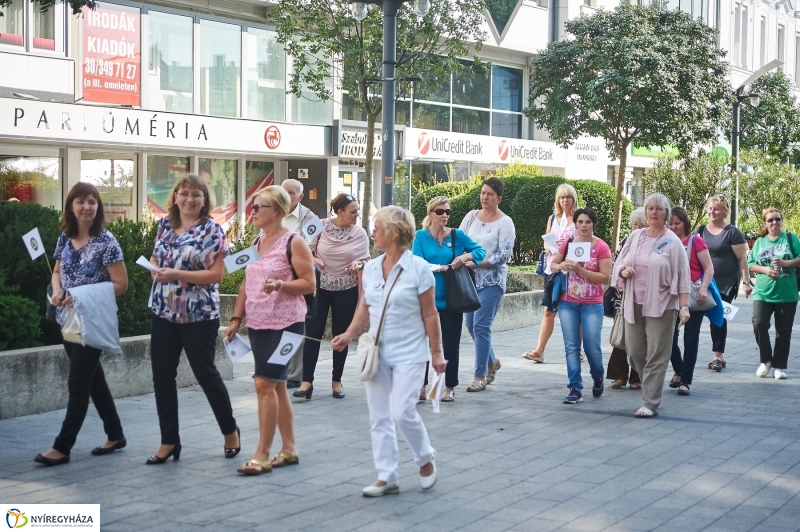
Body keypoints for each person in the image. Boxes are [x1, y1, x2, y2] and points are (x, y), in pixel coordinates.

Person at [331, 206, 445, 497]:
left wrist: (436, 353)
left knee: (402, 411)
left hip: (411, 351)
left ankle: (424, 457)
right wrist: (349, 333)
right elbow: (365, 308)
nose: (372, 232)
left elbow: (431, 315)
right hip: (378, 350)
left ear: (394, 232)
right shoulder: (370, 268)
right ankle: (387, 475)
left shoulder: (419, 268)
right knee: (379, 415)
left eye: (377, 227)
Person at [146, 174, 240, 464]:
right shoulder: (164, 224)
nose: (189, 199)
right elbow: (155, 257)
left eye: (196, 195)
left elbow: (216, 275)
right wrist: (153, 269)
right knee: (162, 377)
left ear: (204, 200)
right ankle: (169, 441)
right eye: (184, 193)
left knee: (206, 375)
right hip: (164, 310)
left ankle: (230, 431)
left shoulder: (212, 230)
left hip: (198, 314)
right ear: (175, 197)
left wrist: (176, 274)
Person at [34, 183, 129, 466]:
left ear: (98, 207)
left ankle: (62, 447)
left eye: (92, 202)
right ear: (71, 206)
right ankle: (115, 434)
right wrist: (58, 290)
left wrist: (81, 295)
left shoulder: (107, 241)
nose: (86, 207)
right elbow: (57, 271)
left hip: (92, 320)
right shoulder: (66, 237)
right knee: (93, 380)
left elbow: (121, 285)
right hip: (68, 319)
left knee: (78, 384)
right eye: (80, 201)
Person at [224, 186, 316, 475]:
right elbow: (244, 284)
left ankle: (262, 454)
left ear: (275, 211)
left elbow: (309, 284)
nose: (251, 212)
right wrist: (236, 319)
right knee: (275, 385)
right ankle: (289, 449)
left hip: (288, 325)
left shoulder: (294, 242)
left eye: (257, 207)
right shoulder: (257, 241)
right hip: (259, 324)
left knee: (263, 384)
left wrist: (281, 285)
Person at [612, 194, 690, 418]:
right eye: (650, 208)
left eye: (659, 209)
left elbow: (682, 275)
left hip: (662, 304)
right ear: (645, 212)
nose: (654, 212)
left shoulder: (672, 241)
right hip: (633, 302)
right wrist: (622, 271)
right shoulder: (636, 236)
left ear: (666, 213)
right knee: (635, 352)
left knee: (658, 353)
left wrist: (683, 307)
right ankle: (651, 386)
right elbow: (620, 262)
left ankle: (650, 402)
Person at [294, 193, 370, 400]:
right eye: (353, 212)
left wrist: (358, 264)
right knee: (312, 334)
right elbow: (303, 248)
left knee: (340, 335)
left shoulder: (360, 233)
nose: (357, 216)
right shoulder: (319, 224)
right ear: (339, 212)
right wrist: (313, 259)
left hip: (347, 288)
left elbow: (366, 259)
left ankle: (337, 381)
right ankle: (306, 381)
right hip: (319, 288)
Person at [412, 196, 486, 402]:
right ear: (430, 213)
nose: (445, 215)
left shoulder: (457, 235)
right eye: (440, 212)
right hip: (427, 298)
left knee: (451, 344)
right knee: (422, 344)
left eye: (448, 212)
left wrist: (465, 257)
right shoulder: (420, 236)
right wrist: (439, 268)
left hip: (452, 299)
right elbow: (417, 262)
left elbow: (480, 251)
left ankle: (449, 386)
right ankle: (421, 385)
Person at [550, 208, 612, 403]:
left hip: (592, 304)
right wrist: (561, 267)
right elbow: (553, 264)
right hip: (567, 301)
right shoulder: (568, 243)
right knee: (571, 346)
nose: (584, 225)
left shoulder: (601, 246)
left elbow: (605, 277)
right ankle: (575, 387)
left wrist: (580, 269)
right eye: (580, 222)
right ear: (575, 224)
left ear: (593, 224)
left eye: (588, 222)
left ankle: (598, 375)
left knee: (592, 346)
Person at [460, 177, 516, 392]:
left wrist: (476, 263)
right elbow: (460, 241)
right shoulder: (471, 216)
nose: (485, 197)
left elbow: (503, 255)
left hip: (492, 280)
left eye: (490, 194)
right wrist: (463, 259)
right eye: (483, 193)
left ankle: (479, 375)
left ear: (499, 198)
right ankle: (492, 362)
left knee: (481, 326)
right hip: (470, 280)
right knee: (471, 326)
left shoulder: (505, 222)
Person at [523, 184, 578, 363]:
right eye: (561, 197)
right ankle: (539, 350)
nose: (565, 201)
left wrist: (568, 244)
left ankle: (578, 349)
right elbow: (546, 242)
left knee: (575, 311)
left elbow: (584, 243)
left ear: (573, 199)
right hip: (553, 270)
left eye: (568, 197)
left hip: (571, 270)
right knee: (549, 310)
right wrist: (552, 246)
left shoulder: (579, 219)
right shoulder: (553, 218)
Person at [696, 195, 751, 371]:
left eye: (717, 209)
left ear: (724, 211)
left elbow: (742, 258)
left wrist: (746, 281)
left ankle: (718, 356)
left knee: (718, 317)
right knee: (699, 317)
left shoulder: (732, 232)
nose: (712, 212)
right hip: (705, 281)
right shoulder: (701, 230)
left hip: (726, 283)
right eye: (710, 208)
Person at [747, 208, 800, 380]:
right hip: (763, 292)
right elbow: (751, 264)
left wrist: (786, 263)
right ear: (765, 223)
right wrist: (766, 270)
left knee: (783, 331)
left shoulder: (791, 238)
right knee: (758, 323)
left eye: (777, 219)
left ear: (781, 221)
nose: (774, 223)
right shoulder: (760, 241)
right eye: (770, 220)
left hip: (787, 293)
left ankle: (779, 366)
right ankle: (766, 360)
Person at [668, 206, 715, 396]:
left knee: (691, 338)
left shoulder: (696, 241)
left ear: (685, 223)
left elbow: (709, 268)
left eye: (677, 224)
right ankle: (679, 371)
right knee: (669, 339)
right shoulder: (665, 241)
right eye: (670, 223)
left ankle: (685, 381)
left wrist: (704, 287)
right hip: (671, 296)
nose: (673, 227)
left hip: (695, 295)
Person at [281, 179, 317, 389]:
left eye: (292, 193)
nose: (287, 195)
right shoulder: (272, 212)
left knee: (294, 327)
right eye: (284, 191)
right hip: (275, 280)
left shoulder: (311, 218)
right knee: (277, 327)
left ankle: (294, 374)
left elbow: (311, 250)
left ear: (300, 197)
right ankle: (278, 369)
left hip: (298, 279)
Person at [607, 208, 645, 390]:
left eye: (641, 224)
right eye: (635, 224)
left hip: (643, 296)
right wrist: (622, 271)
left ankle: (637, 377)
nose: (637, 227)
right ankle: (619, 375)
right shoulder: (626, 241)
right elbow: (616, 265)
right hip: (622, 296)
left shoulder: (652, 242)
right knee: (622, 336)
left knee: (639, 339)